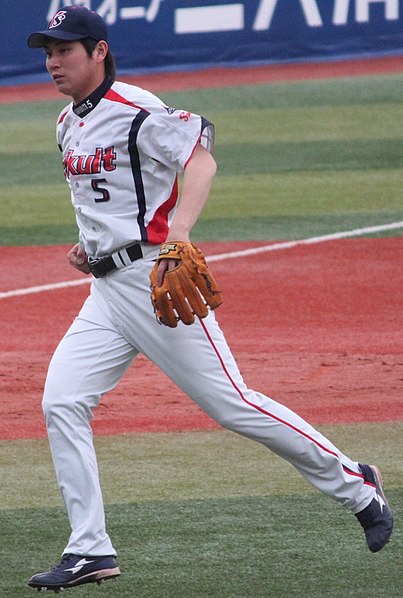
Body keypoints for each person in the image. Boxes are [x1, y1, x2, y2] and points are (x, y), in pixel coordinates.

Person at [26, 6, 393, 593]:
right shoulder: (67, 121)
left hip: (153, 280)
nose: (52, 61)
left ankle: (357, 484)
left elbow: (200, 157)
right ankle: (89, 549)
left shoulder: (137, 109)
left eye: (65, 50)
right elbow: (110, 198)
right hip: (104, 292)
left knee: (232, 404)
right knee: (61, 402)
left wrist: (180, 234)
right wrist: (89, 246)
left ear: (98, 52)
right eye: (47, 50)